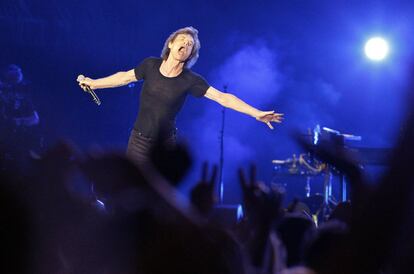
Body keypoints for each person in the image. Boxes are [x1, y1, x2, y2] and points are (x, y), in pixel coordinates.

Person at [77, 26, 283, 164]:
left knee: (159, 199)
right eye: (182, 40)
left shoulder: (191, 80)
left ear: (191, 54)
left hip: (165, 146)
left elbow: (223, 97)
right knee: (132, 191)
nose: (185, 45)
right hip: (138, 141)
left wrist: (256, 113)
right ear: (171, 44)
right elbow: (124, 77)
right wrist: (94, 83)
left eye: (190, 45)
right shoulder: (150, 65)